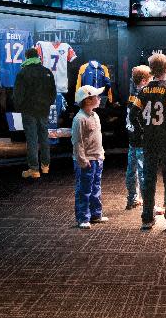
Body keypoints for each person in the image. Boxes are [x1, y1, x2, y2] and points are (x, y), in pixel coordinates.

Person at [129, 53, 166, 231]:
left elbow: (133, 115)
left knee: (148, 179)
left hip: (149, 140)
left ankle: (147, 218)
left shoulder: (143, 91)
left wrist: (141, 131)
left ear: (152, 71)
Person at [13, 48, 56, 179]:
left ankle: (34, 169)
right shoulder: (47, 72)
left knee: (32, 138)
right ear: (38, 57)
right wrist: (47, 104)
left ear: (26, 57)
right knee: (44, 137)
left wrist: (19, 107)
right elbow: (53, 93)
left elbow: (18, 95)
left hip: (29, 110)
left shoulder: (23, 73)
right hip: (43, 110)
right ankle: (46, 166)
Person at [72, 85, 109, 229]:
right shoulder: (79, 119)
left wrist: (101, 155)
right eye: (96, 96)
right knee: (84, 189)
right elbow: (77, 141)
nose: (99, 99)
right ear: (87, 100)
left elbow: (97, 138)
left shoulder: (95, 115)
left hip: (97, 158)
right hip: (86, 160)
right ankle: (83, 217)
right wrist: (82, 159)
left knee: (95, 187)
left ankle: (95, 214)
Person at [125, 65, 151, 209]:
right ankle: (147, 202)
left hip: (132, 137)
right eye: (150, 79)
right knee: (143, 171)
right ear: (143, 80)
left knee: (131, 170)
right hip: (141, 138)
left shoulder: (131, 96)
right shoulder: (143, 97)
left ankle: (132, 198)